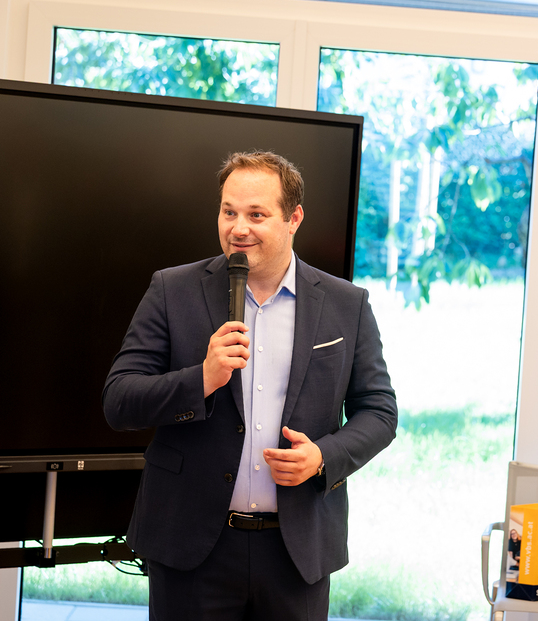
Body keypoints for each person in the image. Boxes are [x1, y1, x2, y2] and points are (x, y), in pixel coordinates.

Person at [103, 151, 396, 621]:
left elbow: (379, 411)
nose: (238, 228)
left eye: (256, 215)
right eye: (229, 212)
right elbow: (119, 401)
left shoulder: (347, 304)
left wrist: (323, 457)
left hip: (296, 551)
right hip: (190, 546)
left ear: (293, 219)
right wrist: (201, 378)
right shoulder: (171, 290)